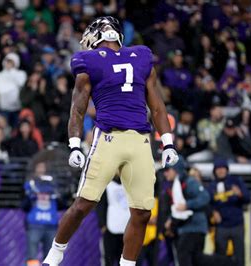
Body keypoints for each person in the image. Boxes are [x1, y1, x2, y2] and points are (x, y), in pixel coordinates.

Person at [43, 16, 179, 266]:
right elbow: (78, 108)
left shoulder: (140, 56)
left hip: (140, 140)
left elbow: (157, 106)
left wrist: (167, 141)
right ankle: (55, 255)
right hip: (108, 137)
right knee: (84, 204)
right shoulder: (90, 61)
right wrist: (74, 143)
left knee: (142, 212)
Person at [160, 159, 211, 266]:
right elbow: (177, 207)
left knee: (184, 257)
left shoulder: (189, 182)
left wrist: (188, 205)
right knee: (196, 260)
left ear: (176, 169)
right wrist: (170, 219)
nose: (165, 173)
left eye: (168, 170)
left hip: (194, 228)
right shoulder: (175, 184)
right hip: (187, 228)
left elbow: (205, 197)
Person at [208, 159, 250, 266]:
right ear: (214, 171)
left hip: (237, 224)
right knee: (220, 256)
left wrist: (240, 194)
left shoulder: (236, 181)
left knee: (239, 255)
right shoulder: (211, 186)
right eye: (218, 169)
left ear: (227, 169)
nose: (220, 171)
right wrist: (213, 212)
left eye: (223, 168)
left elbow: (247, 198)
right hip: (221, 226)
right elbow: (207, 204)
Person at [22, 162, 62, 264]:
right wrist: (30, 197)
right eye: (39, 167)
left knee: (50, 257)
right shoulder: (30, 184)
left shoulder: (54, 184)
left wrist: (58, 195)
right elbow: (24, 205)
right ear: (35, 170)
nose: (41, 170)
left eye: (43, 168)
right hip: (34, 224)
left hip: (51, 225)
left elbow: (62, 203)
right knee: (32, 256)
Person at [96, 177, 131, 266]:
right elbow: (100, 206)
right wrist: (102, 225)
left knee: (126, 260)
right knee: (109, 259)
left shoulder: (130, 183)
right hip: (110, 228)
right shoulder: (106, 184)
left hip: (127, 229)